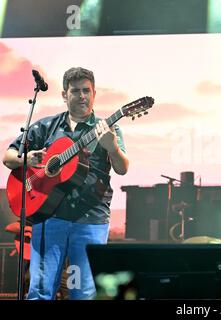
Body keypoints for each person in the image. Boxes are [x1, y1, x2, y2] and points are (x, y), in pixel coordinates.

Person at [2, 67, 129, 299]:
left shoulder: (108, 128)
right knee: (39, 291)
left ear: (94, 93)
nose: (82, 96)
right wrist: (26, 159)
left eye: (86, 91)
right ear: (64, 95)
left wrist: (113, 148)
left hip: (90, 220)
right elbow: (8, 157)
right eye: (75, 91)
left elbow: (122, 169)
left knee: (84, 293)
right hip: (49, 218)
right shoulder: (46, 126)